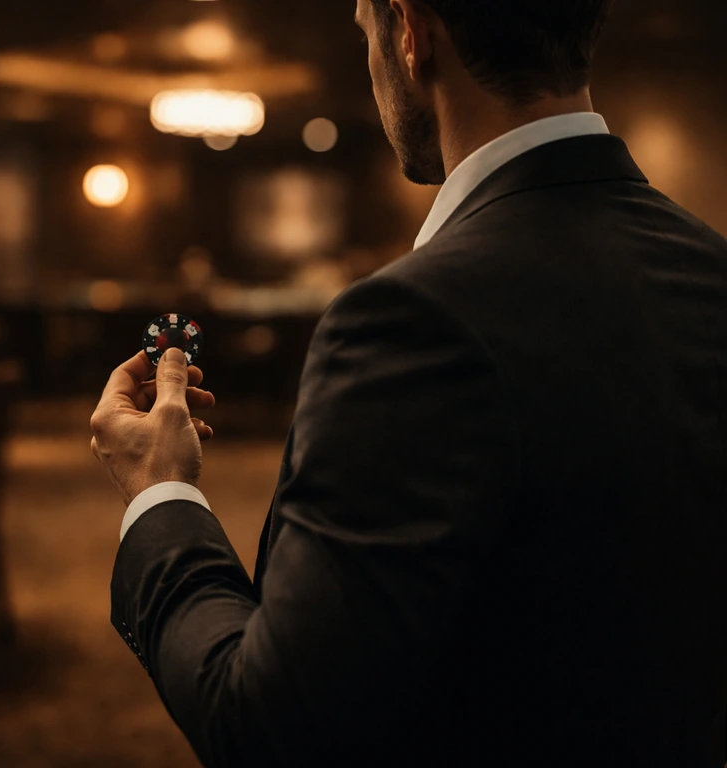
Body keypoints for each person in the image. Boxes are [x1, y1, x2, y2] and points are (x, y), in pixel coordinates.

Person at [90, 0, 727, 765]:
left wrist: (160, 494)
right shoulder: (711, 272)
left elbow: (267, 730)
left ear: (411, 35)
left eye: (365, 27)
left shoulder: (410, 321)